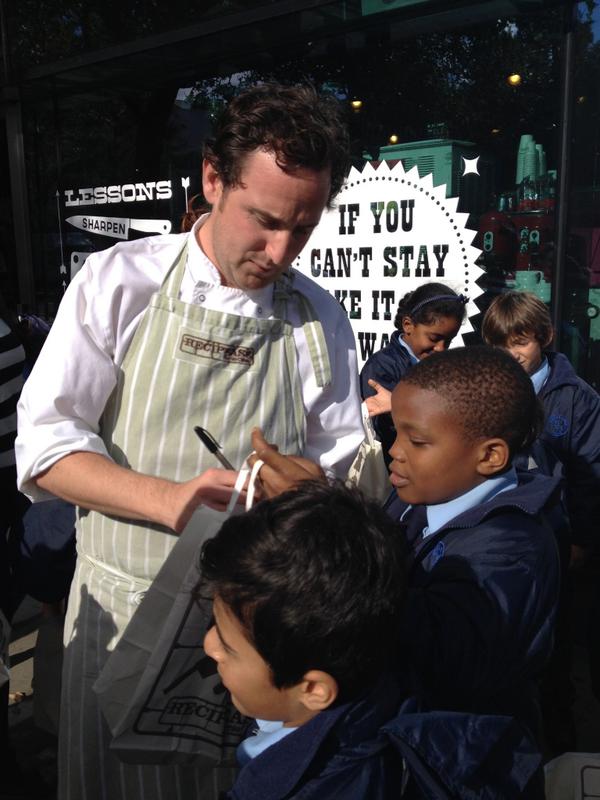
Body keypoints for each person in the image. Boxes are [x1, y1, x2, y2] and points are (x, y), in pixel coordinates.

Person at [15, 83, 364, 800]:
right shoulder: (120, 282)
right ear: (211, 178)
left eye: (303, 228)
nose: (280, 251)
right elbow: (46, 447)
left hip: (251, 639)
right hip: (123, 610)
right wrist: (169, 498)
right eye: (263, 221)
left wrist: (317, 494)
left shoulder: (317, 319)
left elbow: (346, 473)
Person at [250, 347, 560, 798]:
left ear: (490, 456)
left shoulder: (512, 550)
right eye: (395, 433)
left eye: (417, 442)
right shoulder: (418, 501)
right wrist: (325, 501)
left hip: (455, 770)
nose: (394, 451)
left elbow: (443, 653)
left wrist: (324, 520)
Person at [200, 480, 542, 799]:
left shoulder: (333, 785)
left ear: (313, 690)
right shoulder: (366, 665)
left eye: (229, 648)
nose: (209, 646)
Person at [481, 289, 600, 753]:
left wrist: (582, 541)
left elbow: (590, 475)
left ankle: (560, 745)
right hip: (501, 537)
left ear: (545, 339)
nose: (510, 354)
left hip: (555, 539)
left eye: (520, 343)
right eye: (499, 344)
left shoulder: (577, 399)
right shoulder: (488, 389)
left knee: (554, 651)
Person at [359, 283, 467, 465]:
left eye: (448, 341)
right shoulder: (382, 367)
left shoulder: (443, 367)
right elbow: (383, 426)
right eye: (433, 338)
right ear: (408, 325)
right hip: (393, 467)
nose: (440, 348)